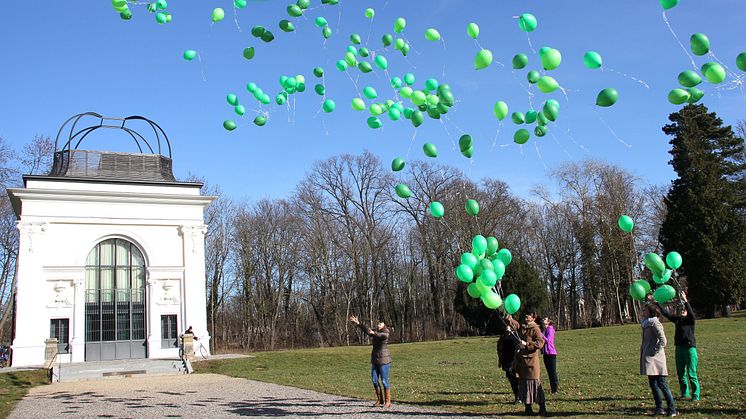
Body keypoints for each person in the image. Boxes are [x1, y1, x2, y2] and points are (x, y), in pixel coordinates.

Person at [657, 291, 699, 401]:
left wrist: (685, 300)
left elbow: (691, 314)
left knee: (691, 373)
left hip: (690, 349)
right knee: (681, 373)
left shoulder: (690, 320)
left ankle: (695, 395)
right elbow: (666, 313)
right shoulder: (678, 320)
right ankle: (685, 393)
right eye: (681, 309)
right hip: (679, 348)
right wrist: (657, 303)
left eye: (684, 310)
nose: (682, 311)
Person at [506, 311, 547, 416]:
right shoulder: (522, 327)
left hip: (532, 363)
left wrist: (527, 344)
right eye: (525, 315)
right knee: (524, 385)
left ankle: (542, 408)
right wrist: (509, 319)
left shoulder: (535, 328)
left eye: (528, 315)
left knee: (535, 384)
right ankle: (528, 409)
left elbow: (540, 343)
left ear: (533, 317)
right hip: (522, 362)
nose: (525, 316)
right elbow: (516, 324)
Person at [641, 304, 677, 417]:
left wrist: (654, 350)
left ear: (650, 312)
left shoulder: (655, 323)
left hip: (656, 358)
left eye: (645, 310)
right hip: (649, 358)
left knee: (662, 384)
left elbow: (663, 340)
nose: (643, 311)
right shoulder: (646, 324)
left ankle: (672, 409)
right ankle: (659, 408)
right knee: (653, 384)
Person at [350, 315, 392, 408]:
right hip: (375, 360)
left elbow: (381, 335)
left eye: (380, 323)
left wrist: (373, 333)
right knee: (374, 380)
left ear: (384, 325)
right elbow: (367, 330)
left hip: (384, 360)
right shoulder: (375, 331)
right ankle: (379, 400)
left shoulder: (386, 332)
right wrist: (358, 323)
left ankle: (388, 401)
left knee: (384, 381)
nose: (378, 325)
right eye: (378, 323)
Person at [497, 328, 521, 404]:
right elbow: (500, 351)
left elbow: (499, 351)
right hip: (510, 362)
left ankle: (518, 395)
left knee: (515, 380)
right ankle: (518, 395)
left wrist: (500, 361)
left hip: (511, 362)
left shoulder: (504, 339)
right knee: (515, 380)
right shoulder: (508, 338)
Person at [541, 317, 559, 394]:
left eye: (545, 322)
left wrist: (541, 335)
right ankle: (552, 388)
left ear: (548, 322)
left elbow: (548, 340)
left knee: (552, 372)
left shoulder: (551, 329)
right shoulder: (544, 330)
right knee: (549, 372)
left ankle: (555, 389)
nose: (544, 325)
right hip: (545, 354)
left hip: (551, 354)